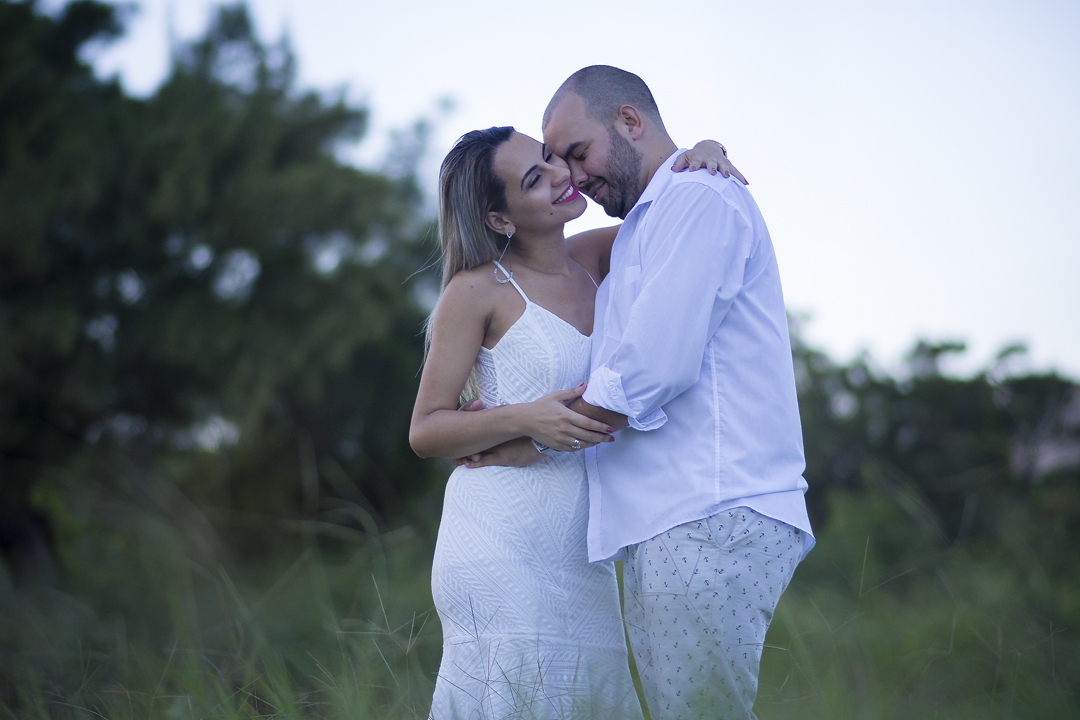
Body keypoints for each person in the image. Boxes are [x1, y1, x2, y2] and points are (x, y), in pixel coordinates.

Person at [409, 127, 733, 719]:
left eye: (550, 159)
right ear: (500, 220)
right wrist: (526, 419)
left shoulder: (598, 258)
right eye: (534, 179)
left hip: (583, 544)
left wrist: (701, 152)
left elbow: (677, 214)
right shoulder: (476, 290)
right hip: (500, 535)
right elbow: (426, 429)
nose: (560, 175)